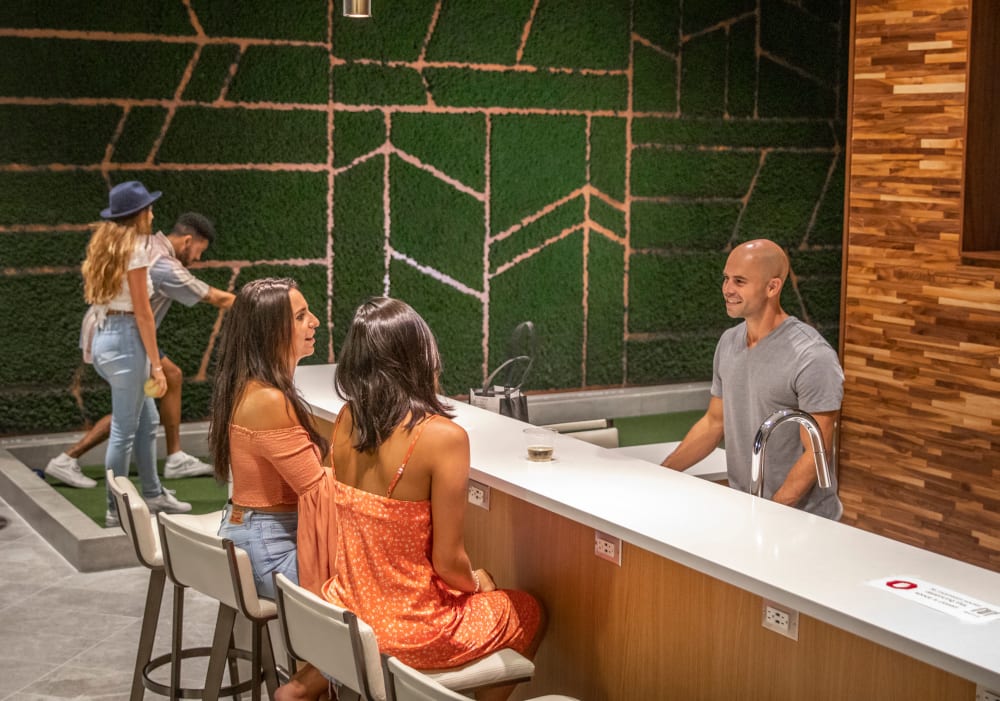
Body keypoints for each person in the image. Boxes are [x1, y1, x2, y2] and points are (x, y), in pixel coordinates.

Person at [278, 297, 545, 701]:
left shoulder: (348, 418)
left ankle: (311, 683)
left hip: (347, 611)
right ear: (420, 357)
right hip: (411, 630)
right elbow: (449, 563)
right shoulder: (443, 438)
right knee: (527, 610)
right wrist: (479, 584)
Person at [45, 212, 236, 488]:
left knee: (171, 377)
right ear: (187, 240)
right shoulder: (165, 266)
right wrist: (266, 306)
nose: (198, 259)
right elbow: (217, 298)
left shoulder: (148, 245)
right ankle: (69, 459)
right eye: (198, 251)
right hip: (124, 337)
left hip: (115, 332)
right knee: (131, 409)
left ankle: (173, 459)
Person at [661, 239, 844, 519]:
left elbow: (816, 453)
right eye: (725, 279)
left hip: (802, 519)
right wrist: (662, 473)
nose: (727, 289)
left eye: (739, 281)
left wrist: (769, 514)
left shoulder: (812, 356)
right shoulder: (729, 342)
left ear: (772, 287)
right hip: (749, 510)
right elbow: (714, 422)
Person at [209, 277, 336, 601]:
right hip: (270, 548)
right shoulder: (269, 400)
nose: (314, 322)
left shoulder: (251, 385)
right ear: (270, 331)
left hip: (252, 533)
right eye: (300, 316)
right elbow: (317, 490)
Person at [82, 181, 192, 526]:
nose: (153, 213)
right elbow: (144, 314)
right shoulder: (138, 250)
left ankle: (153, 493)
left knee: (147, 422)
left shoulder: (106, 246)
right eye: (149, 208)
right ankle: (116, 509)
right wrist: (156, 366)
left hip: (106, 339)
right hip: (129, 342)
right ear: (139, 215)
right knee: (124, 432)